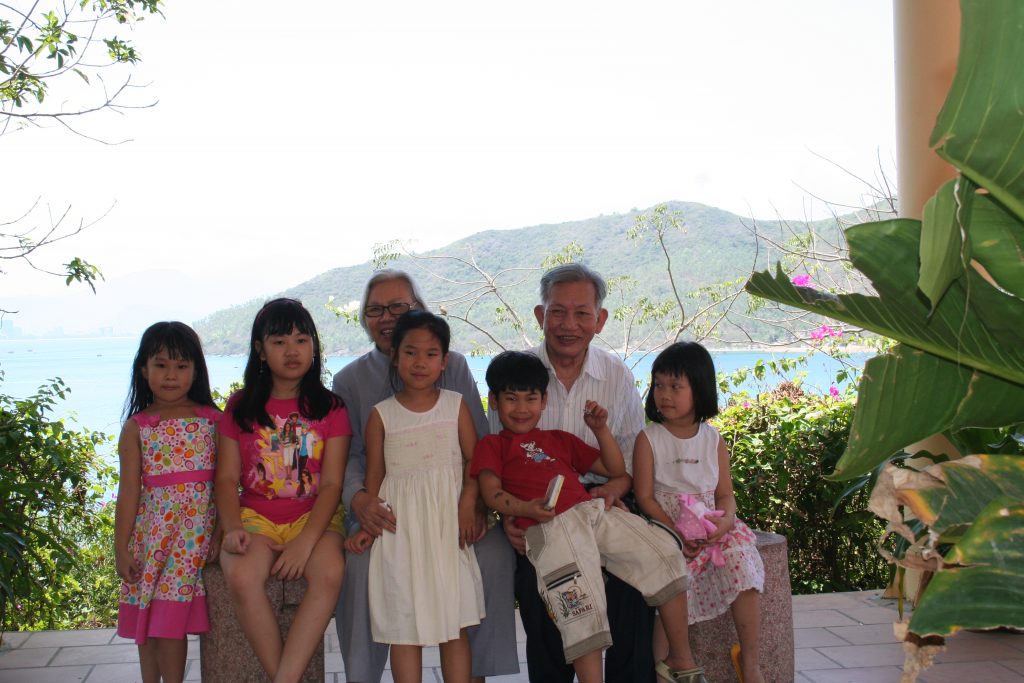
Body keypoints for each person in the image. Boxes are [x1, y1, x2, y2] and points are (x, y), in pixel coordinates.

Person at [474, 351, 706, 683]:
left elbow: (613, 468)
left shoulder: (559, 439)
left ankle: (680, 659)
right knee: (581, 606)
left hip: (592, 512)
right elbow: (491, 493)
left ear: (543, 402)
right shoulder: (492, 445)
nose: (522, 408)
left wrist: (601, 430)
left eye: (531, 398)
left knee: (664, 554)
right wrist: (525, 509)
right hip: (551, 529)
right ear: (494, 402)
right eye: (511, 398)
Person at [332, 269, 517, 683]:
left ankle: (477, 673)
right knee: (360, 568)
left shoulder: (455, 369)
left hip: (451, 505)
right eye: (375, 310)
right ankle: (362, 676)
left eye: (398, 306)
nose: (386, 317)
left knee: (494, 555)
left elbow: (476, 448)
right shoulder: (349, 380)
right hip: (387, 508)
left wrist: (476, 504)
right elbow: (351, 457)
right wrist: (361, 502)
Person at [493, 263, 654, 683]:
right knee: (541, 590)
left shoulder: (615, 375)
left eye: (582, 313)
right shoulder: (516, 374)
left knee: (632, 585)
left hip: (601, 504)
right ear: (540, 315)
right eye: (558, 312)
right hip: (537, 513)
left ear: (600, 320)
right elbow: (493, 459)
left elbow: (631, 461)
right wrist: (509, 516)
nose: (569, 325)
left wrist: (615, 489)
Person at [215, 298, 351, 683]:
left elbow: (332, 484)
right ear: (260, 350)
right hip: (255, 516)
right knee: (242, 577)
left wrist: (306, 542)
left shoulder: (331, 407)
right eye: (279, 342)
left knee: (330, 572)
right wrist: (231, 528)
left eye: (301, 340)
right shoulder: (239, 407)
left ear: (314, 347)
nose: (292, 351)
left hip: (315, 517)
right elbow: (225, 479)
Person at [345, 310, 485, 682]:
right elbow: (375, 479)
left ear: (444, 361)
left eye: (430, 354)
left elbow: (474, 461)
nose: (420, 362)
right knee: (402, 627)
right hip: (400, 535)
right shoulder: (381, 416)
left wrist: (468, 504)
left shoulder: (455, 405)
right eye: (410, 352)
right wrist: (366, 527)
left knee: (454, 623)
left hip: (447, 530)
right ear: (395, 356)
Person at [632, 342, 766, 683]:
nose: (664, 394)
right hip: (665, 528)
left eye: (676, 386)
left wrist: (726, 522)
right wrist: (675, 533)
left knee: (743, 563)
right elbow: (644, 498)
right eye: (659, 385)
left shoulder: (712, 439)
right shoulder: (649, 439)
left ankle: (751, 662)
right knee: (670, 581)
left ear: (700, 389)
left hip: (711, 526)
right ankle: (665, 666)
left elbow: (725, 495)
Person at [115, 321, 221, 683]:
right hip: (151, 539)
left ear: (196, 370)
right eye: (161, 365)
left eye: (181, 365)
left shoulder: (214, 421)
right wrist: (121, 547)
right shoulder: (137, 427)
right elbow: (129, 492)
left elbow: (227, 484)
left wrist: (221, 531)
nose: (171, 375)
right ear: (144, 370)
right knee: (147, 617)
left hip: (191, 540)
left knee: (169, 623)